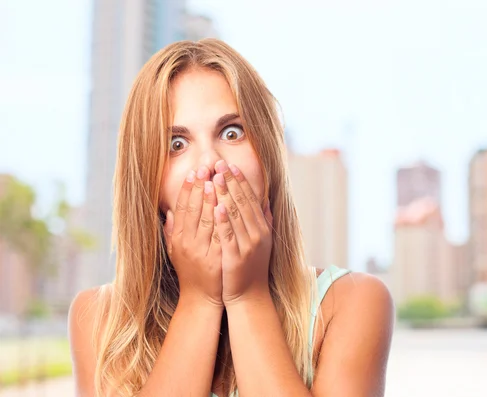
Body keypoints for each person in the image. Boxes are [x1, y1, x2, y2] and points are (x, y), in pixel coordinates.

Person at [68, 38, 394, 397]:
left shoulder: (351, 303)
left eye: (231, 133)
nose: (210, 163)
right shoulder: (97, 319)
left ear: (267, 156)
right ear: (147, 182)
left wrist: (247, 296)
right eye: (176, 144)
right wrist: (198, 300)